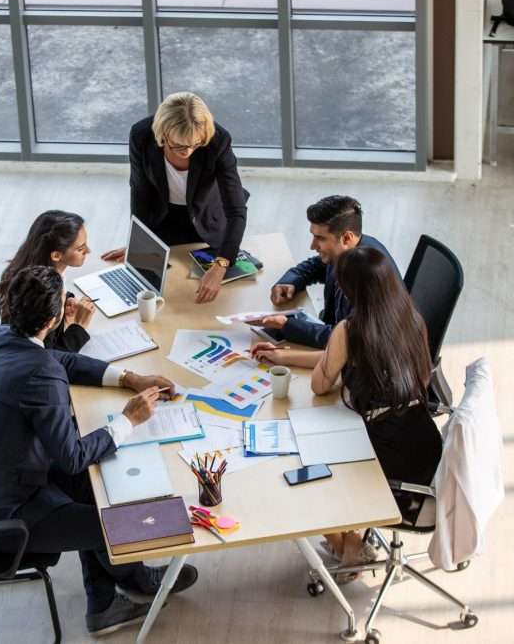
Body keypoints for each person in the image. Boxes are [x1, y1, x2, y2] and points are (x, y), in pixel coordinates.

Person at [0, 266, 199, 635]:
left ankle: (114, 593)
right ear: (53, 319)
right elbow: (73, 456)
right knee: (112, 523)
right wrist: (128, 419)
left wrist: (128, 378)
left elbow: (60, 360)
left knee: (92, 487)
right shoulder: (40, 376)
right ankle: (121, 590)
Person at [254, 247, 442, 579]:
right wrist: (284, 357)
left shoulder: (351, 329)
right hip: (423, 442)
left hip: (385, 458)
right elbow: (343, 359)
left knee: (300, 464)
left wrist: (314, 359)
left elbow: (320, 383)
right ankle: (349, 545)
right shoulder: (412, 318)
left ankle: (347, 543)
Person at [101, 92, 249, 304]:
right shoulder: (141, 135)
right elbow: (140, 192)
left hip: (208, 217)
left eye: (195, 145)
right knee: (161, 288)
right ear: (162, 133)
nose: (187, 152)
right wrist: (140, 244)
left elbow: (236, 210)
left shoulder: (218, 140)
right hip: (163, 217)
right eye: (178, 146)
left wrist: (221, 266)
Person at [259, 195, 399, 349]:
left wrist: (288, 326)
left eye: (320, 238)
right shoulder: (345, 252)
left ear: (346, 238)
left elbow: (348, 340)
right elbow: (316, 265)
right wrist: (290, 281)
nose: (312, 246)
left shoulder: (368, 276)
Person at [0, 210, 97, 352]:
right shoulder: (40, 299)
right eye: (80, 249)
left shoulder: (32, 277)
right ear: (56, 255)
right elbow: (50, 358)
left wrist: (66, 301)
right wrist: (79, 327)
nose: (88, 251)